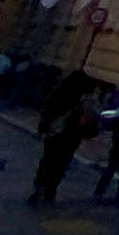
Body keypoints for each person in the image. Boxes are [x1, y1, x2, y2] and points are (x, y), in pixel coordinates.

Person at [30, 74, 96, 204]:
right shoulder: (84, 101)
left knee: (47, 160)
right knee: (61, 164)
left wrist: (42, 129)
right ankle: (51, 190)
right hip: (71, 136)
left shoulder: (59, 95)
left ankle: (40, 187)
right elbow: (88, 119)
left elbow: (47, 113)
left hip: (54, 133)